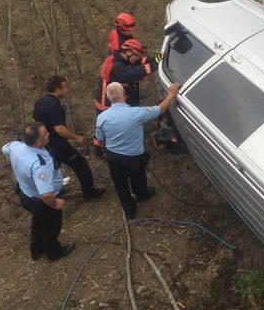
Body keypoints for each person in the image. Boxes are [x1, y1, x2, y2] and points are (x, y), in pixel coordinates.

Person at [95, 81, 180, 219]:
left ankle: (129, 211)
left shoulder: (101, 117)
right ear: (124, 94)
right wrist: (171, 94)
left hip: (113, 157)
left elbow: (100, 140)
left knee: (120, 185)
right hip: (134, 157)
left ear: (109, 98)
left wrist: (106, 152)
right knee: (139, 178)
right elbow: (160, 109)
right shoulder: (137, 112)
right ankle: (141, 194)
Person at [2, 123, 75, 261]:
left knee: (38, 221)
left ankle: (36, 250)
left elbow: (4, 149)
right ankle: (54, 252)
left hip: (26, 194)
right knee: (51, 226)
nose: (49, 134)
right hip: (40, 201)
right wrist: (55, 204)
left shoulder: (16, 146)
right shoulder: (39, 165)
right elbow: (46, 195)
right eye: (45, 134)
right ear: (38, 142)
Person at [33, 75, 105, 200]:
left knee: (51, 169)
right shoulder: (54, 105)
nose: (67, 90)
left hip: (46, 146)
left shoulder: (40, 101)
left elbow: (34, 121)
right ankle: (89, 192)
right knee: (80, 164)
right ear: (57, 90)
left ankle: (50, 193)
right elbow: (59, 129)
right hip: (59, 145)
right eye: (65, 87)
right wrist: (76, 137)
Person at [93, 39, 160, 155]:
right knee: (108, 129)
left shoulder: (118, 57)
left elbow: (141, 61)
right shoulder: (118, 67)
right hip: (106, 103)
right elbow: (137, 71)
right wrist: (156, 64)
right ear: (128, 53)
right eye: (136, 56)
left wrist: (160, 56)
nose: (138, 58)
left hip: (112, 97)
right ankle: (101, 151)